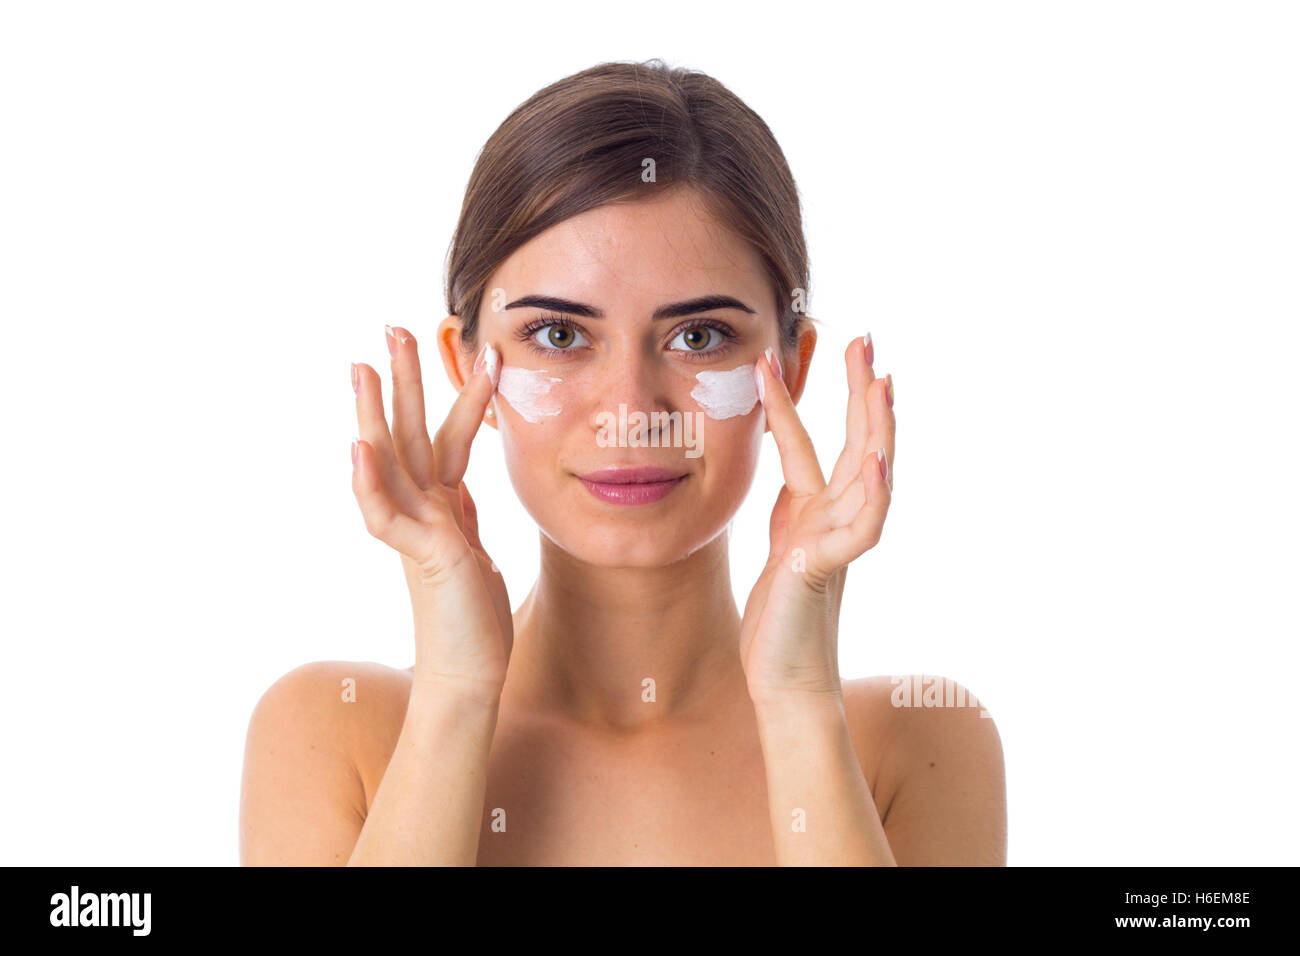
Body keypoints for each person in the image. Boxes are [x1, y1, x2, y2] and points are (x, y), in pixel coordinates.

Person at [240, 59, 1006, 866]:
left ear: (792, 365)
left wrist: (798, 703)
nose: (634, 415)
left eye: (699, 336)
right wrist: (454, 694)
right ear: (470, 372)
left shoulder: (918, 743)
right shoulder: (336, 731)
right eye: (561, 336)